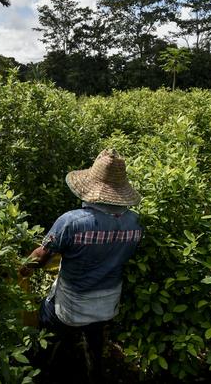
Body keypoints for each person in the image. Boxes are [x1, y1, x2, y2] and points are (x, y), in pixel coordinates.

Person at [19, 149, 143, 381]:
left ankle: (37, 370)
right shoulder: (134, 222)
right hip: (107, 304)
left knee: (47, 325)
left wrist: (23, 270)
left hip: (71, 306)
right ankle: (94, 371)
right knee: (95, 338)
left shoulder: (72, 222)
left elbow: (42, 256)